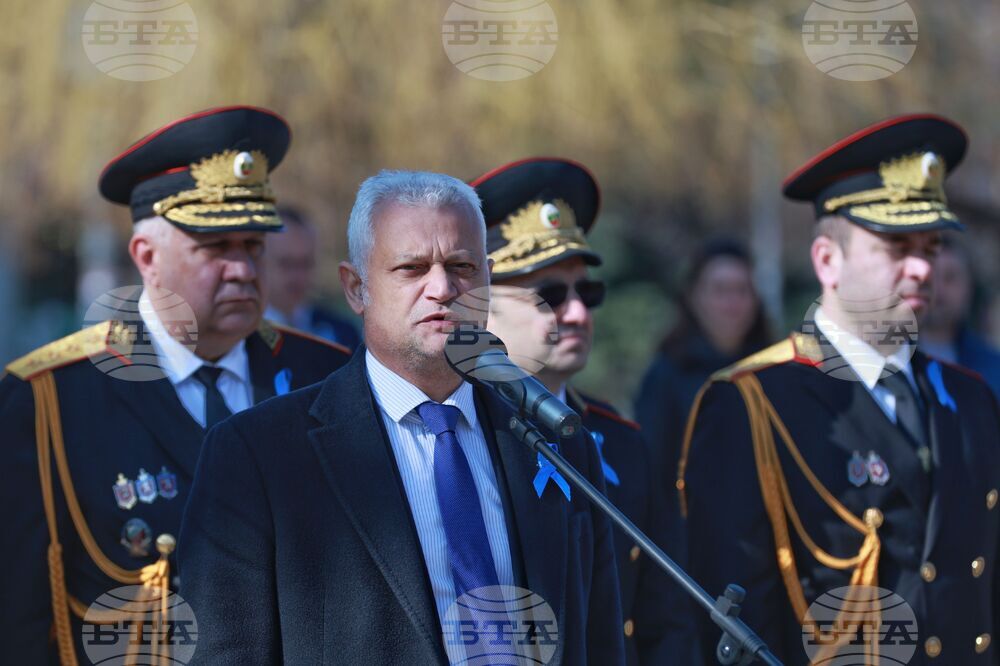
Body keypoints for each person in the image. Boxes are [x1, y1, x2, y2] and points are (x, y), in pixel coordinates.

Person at [178, 170, 625, 664]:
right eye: (412, 268)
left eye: (462, 266)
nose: (442, 287)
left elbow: (598, 639)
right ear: (356, 288)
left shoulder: (553, 440)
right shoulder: (258, 454)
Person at [0, 106, 352, 665]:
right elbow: (18, 620)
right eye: (216, 248)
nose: (242, 269)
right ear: (147, 258)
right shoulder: (51, 396)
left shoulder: (327, 374)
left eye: (254, 246)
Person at [681, 114, 1000, 664]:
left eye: (932, 246)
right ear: (828, 260)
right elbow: (735, 620)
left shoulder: (969, 397)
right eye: (898, 248)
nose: (924, 268)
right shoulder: (753, 401)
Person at [472, 156, 700, 665]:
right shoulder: (455, 436)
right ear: (482, 303)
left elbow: (665, 621)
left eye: (587, 291)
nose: (577, 312)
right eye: (550, 294)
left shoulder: (623, 441)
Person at [634, 238, 770, 501]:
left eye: (742, 290)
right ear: (694, 297)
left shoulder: (773, 372)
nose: (732, 304)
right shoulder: (667, 376)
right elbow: (652, 474)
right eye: (720, 290)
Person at [264, 205, 362, 349]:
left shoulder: (342, 334)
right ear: (261, 262)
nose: (297, 276)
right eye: (286, 264)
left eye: (305, 263)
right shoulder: (241, 336)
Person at [919, 236, 1000, 398]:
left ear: (969, 287)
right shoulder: (889, 360)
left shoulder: (993, 368)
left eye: (950, 278)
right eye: (931, 277)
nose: (939, 290)